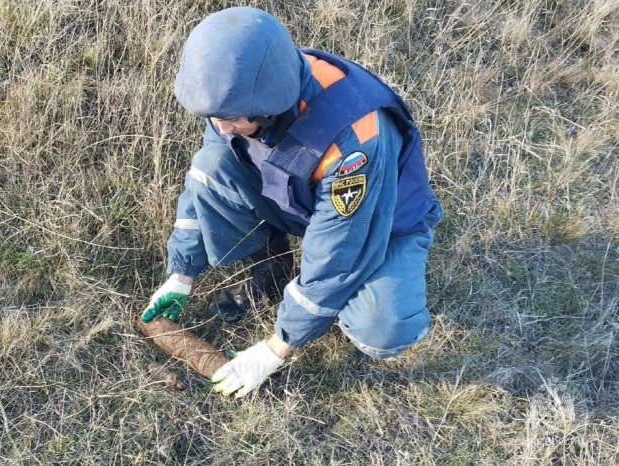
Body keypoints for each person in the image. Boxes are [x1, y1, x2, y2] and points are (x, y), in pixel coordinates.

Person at [140, 7, 443, 398]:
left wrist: (276, 347)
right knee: (211, 164)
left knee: (382, 327)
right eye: (214, 117)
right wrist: (181, 273)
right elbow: (208, 177)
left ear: (270, 105)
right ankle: (270, 270)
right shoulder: (236, 93)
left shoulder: (354, 140)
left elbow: (341, 251)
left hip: (380, 223)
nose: (221, 127)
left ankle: (335, 304)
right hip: (301, 200)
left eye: (230, 119)